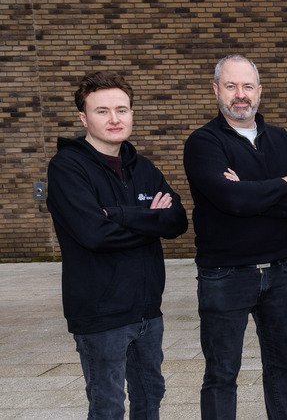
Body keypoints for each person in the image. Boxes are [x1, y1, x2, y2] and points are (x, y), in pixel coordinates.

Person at [183, 54, 287, 420]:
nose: (239, 95)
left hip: (279, 272)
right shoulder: (203, 143)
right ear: (216, 91)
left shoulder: (282, 139)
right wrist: (282, 184)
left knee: (282, 365)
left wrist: (251, 193)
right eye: (231, 86)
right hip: (224, 275)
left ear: (259, 91)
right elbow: (230, 199)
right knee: (222, 373)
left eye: (247, 86)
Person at [47, 70, 188, 419]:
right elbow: (94, 234)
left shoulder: (144, 168)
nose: (114, 119)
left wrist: (120, 214)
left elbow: (177, 222)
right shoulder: (67, 168)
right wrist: (148, 218)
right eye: (102, 111)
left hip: (146, 311)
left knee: (150, 398)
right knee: (108, 406)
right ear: (84, 117)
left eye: (122, 110)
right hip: (100, 315)